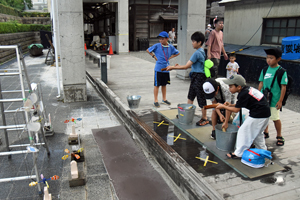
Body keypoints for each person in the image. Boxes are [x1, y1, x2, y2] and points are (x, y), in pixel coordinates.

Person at [216, 75, 270, 159]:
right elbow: (239, 105)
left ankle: (238, 153)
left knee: (243, 130)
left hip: (258, 115)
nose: (229, 88)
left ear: (239, 87)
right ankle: (263, 151)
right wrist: (230, 105)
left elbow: (236, 110)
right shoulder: (247, 90)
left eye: (231, 86)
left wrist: (223, 107)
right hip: (265, 114)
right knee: (258, 133)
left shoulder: (243, 94)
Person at [166, 31, 208, 125]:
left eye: (193, 41)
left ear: (199, 42)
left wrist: (173, 67)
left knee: (200, 98)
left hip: (198, 77)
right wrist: (177, 66)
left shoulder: (197, 53)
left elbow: (186, 66)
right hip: (196, 77)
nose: (192, 43)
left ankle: (204, 118)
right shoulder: (202, 52)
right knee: (191, 96)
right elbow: (189, 66)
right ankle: (187, 113)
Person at [258, 48, 287, 146]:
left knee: (275, 118)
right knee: (264, 116)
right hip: (264, 98)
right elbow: (261, 83)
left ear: (278, 59)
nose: (268, 60)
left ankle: (279, 135)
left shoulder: (282, 72)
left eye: (271, 58)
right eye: (267, 58)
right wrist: (258, 95)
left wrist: (280, 101)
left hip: (274, 100)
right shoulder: (265, 69)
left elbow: (283, 87)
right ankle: (266, 132)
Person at [147, 31, 180, 108]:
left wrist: (170, 57)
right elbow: (148, 50)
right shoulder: (157, 45)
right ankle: (155, 100)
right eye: (160, 39)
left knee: (164, 84)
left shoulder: (170, 47)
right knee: (157, 85)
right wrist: (154, 56)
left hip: (166, 68)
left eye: (162, 39)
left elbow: (177, 53)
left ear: (167, 39)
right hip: (158, 69)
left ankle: (164, 99)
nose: (160, 41)